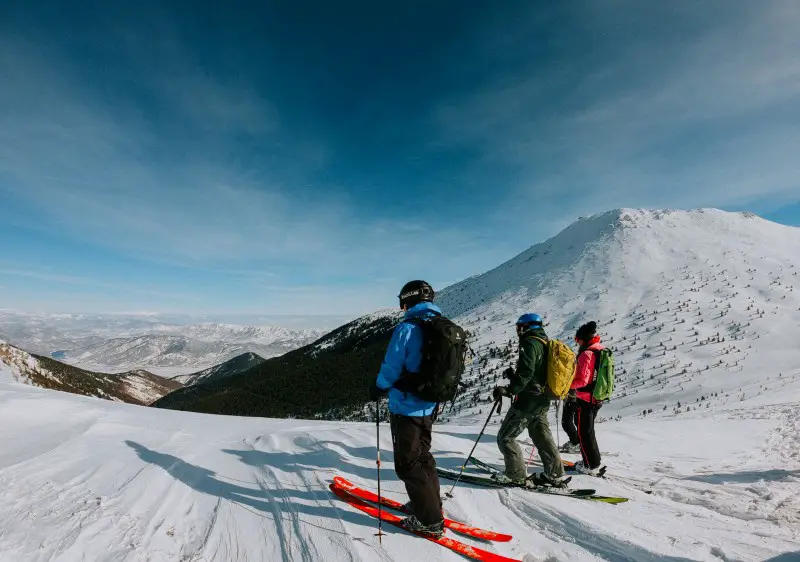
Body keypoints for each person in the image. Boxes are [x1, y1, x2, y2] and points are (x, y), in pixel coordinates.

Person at [369, 280, 444, 538]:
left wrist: (379, 387)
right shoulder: (440, 326)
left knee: (407, 464)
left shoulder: (408, 328)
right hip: (429, 404)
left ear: (406, 301)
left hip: (406, 406)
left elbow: (392, 364)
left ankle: (430, 520)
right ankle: (429, 504)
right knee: (423, 456)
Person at [492, 313, 568, 487]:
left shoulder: (530, 343)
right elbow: (537, 372)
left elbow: (527, 372)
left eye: (520, 327)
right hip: (542, 399)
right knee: (541, 437)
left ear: (526, 327)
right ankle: (555, 473)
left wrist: (510, 389)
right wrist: (515, 377)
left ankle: (515, 475)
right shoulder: (546, 343)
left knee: (506, 437)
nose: (518, 331)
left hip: (527, 401)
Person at [570, 321, 604, 475]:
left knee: (583, 433)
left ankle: (588, 465)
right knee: (589, 431)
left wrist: (567, 385)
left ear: (583, 339)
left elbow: (582, 380)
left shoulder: (586, 354)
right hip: (597, 396)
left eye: (578, 340)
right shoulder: (601, 349)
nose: (577, 343)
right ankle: (593, 461)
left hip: (585, 398)